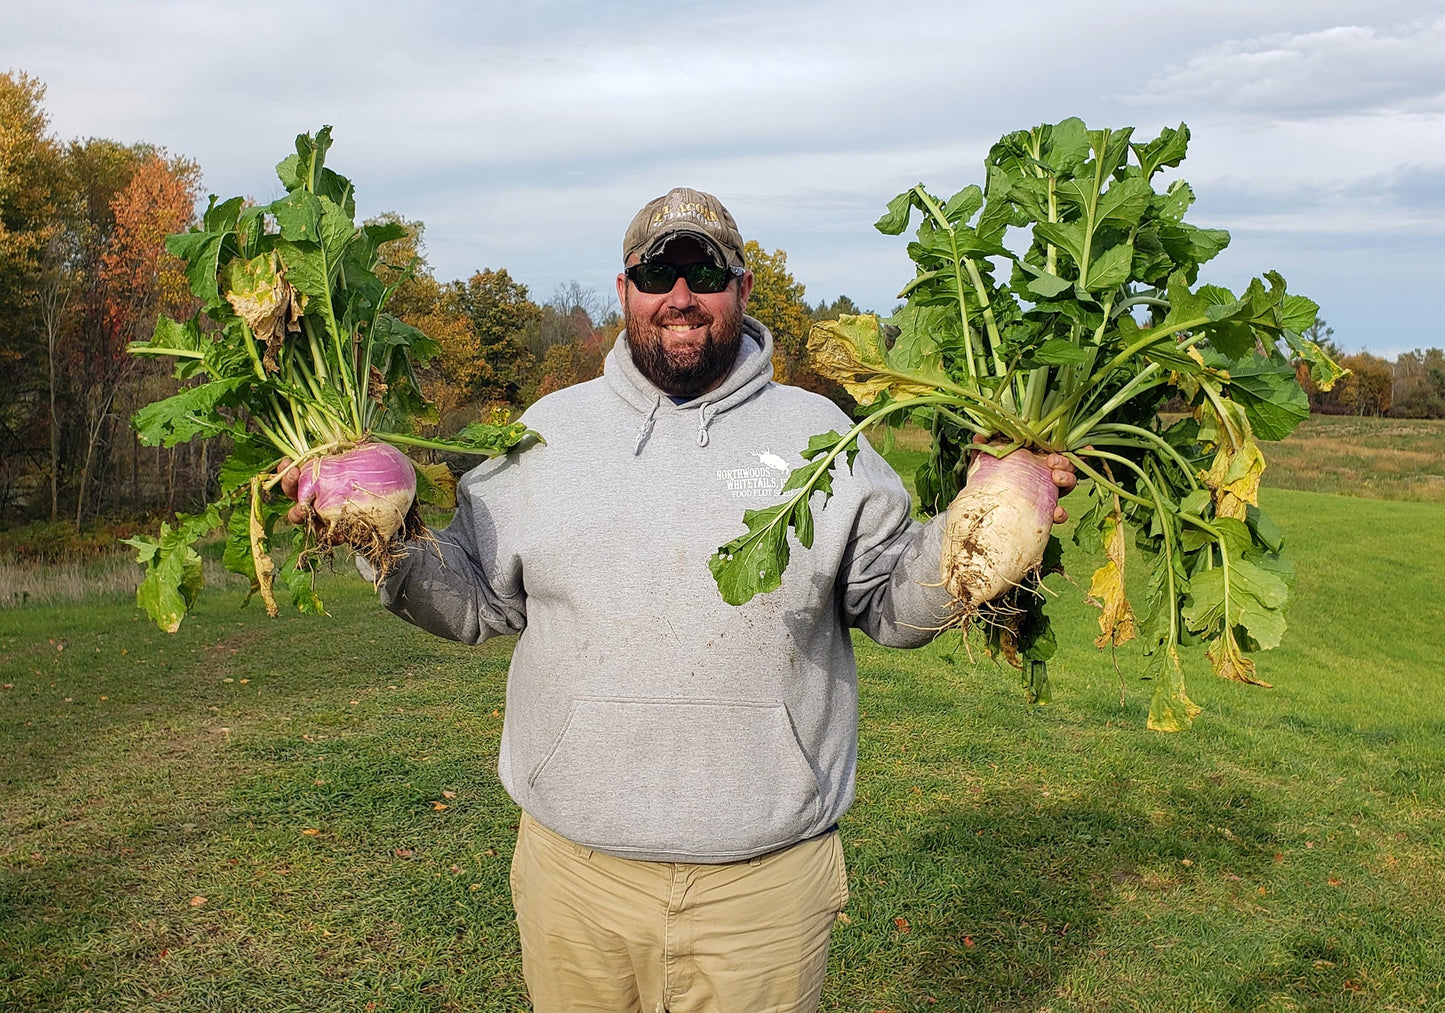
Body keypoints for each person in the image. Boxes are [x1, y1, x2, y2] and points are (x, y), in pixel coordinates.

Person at [284, 187, 1075, 1013]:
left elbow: (887, 604)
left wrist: (984, 530)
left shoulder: (825, 436)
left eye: (704, 271)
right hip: (576, 877)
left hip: (765, 890)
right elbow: (475, 601)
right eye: (657, 271)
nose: (680, 295)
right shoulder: (542, 438)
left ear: (740, 289)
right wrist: (381, 540)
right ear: (624, 290)